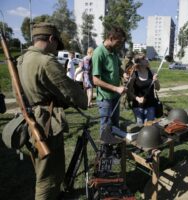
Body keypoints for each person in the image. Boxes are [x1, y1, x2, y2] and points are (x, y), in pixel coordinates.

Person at [16, 22, 87, 200]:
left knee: (44, 169)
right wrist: (83, 98)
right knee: (48, 175)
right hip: (45, 123)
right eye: (56, 44)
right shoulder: (45, 61)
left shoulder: (21, 59)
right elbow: (70, 91)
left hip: (31, 118)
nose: (56, 49)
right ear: (51, 39)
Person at [92, 26, 128, 145]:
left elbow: (118, 67)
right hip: (105, 98)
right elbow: (95, 81)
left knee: (115, 126)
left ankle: (115, 151)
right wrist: (116, 88)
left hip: (115, 96)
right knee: (106, 128)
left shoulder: (114, 51)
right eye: (119, 42)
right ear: (111, 38)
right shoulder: (98, 53)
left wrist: (124, 75)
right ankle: (104, 155)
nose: (120, 45)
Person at [127, 53, 160, 125]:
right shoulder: (134, 74)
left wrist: (156, 80)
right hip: (138, 106)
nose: (147, 59)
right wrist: (137, 98)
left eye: (146, 58)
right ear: (138, 62)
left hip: (150, 105)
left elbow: (158, 88)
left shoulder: (152, 72)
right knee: (140, 127)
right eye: (144, 59)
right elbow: (129, 92)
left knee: (150, 127)